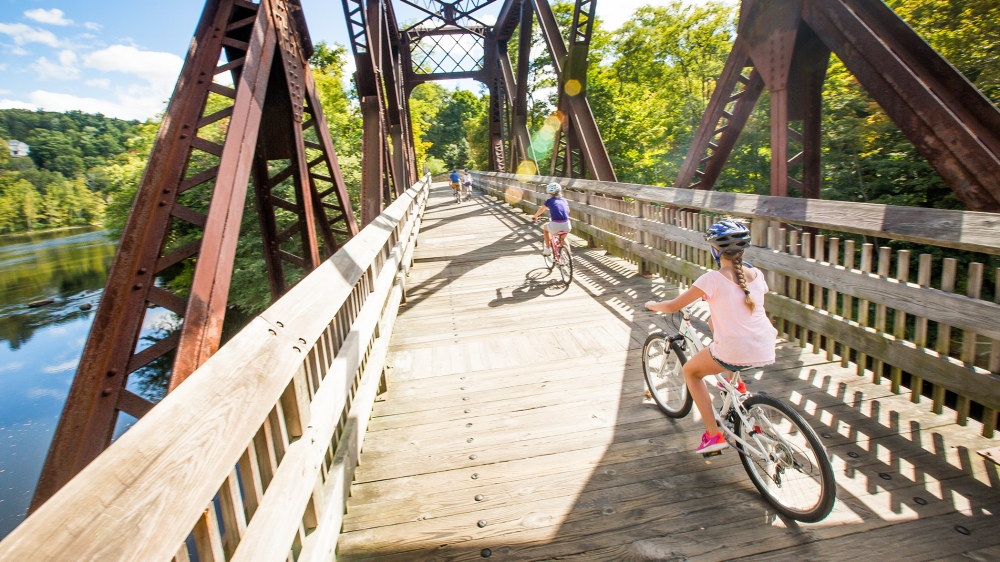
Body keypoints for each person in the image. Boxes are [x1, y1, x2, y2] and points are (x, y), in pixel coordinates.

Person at [644, 219, 777, 454]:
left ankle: (713, 436)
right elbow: (744, 299)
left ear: (715, 250)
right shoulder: (756, 273)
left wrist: (653, 305)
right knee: (713, 322)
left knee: (691, 372)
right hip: (764, 343)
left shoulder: (711, 279)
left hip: (736, 349)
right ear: (743, 249)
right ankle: (737, 385)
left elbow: (674, 305)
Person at [530, 182, 570, 256]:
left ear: (549, 192)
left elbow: (541, 210)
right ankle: (569, 257)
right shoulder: (564, 200)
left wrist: (535, 216)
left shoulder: (549, 201)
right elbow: (568, 211)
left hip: (555, 225)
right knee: (563, 239)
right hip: (567, 225)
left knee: (545, 229)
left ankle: (547, 249)